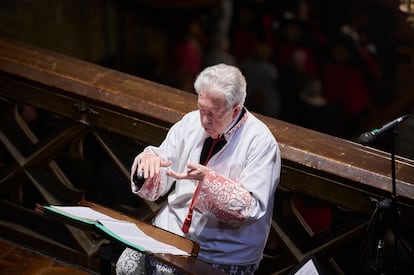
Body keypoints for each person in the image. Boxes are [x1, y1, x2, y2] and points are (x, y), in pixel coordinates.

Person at [116, 63, 281, 275]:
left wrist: (208, 181)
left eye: (213, 114)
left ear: (236, 109)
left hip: (222, 252)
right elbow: (163, 162)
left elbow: (253, 207)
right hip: (170, 231)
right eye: (201, 109)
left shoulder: (261, 142)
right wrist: (148, 164)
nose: (204, 120)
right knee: (126, 268)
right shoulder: (191, 122)